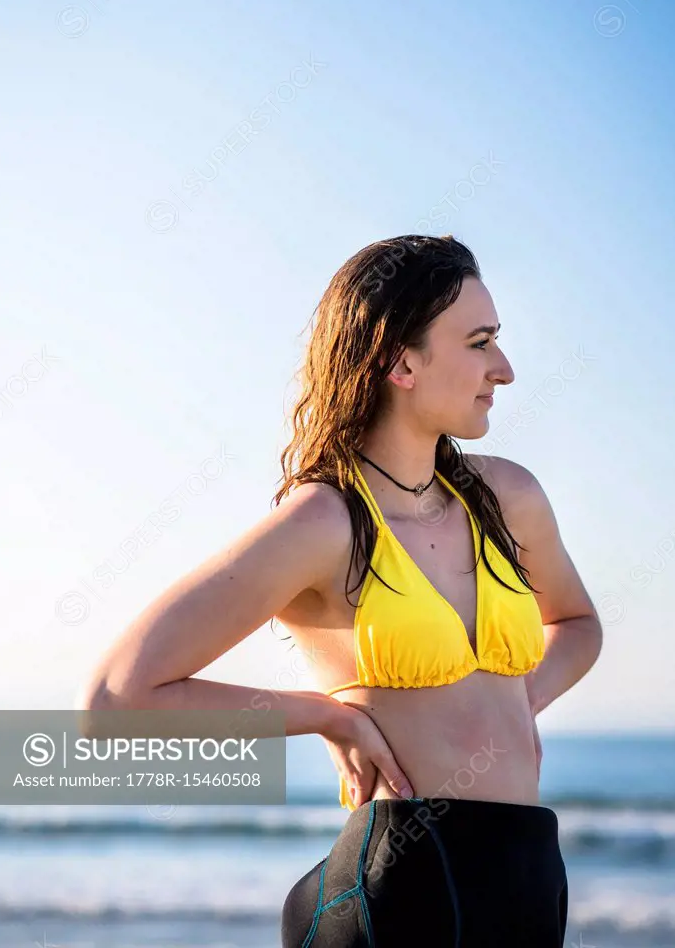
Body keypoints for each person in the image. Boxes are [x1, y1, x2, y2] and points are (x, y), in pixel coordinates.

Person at [81, 234, 603, 946]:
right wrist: (329, 716)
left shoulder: (507, 496)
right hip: (401, 889)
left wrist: (521, 699)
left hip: (530, 876)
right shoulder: (324, 522)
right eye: (479, 342)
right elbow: (117, 699)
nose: (504, 369)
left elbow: (576, 624)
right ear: (400, 360)